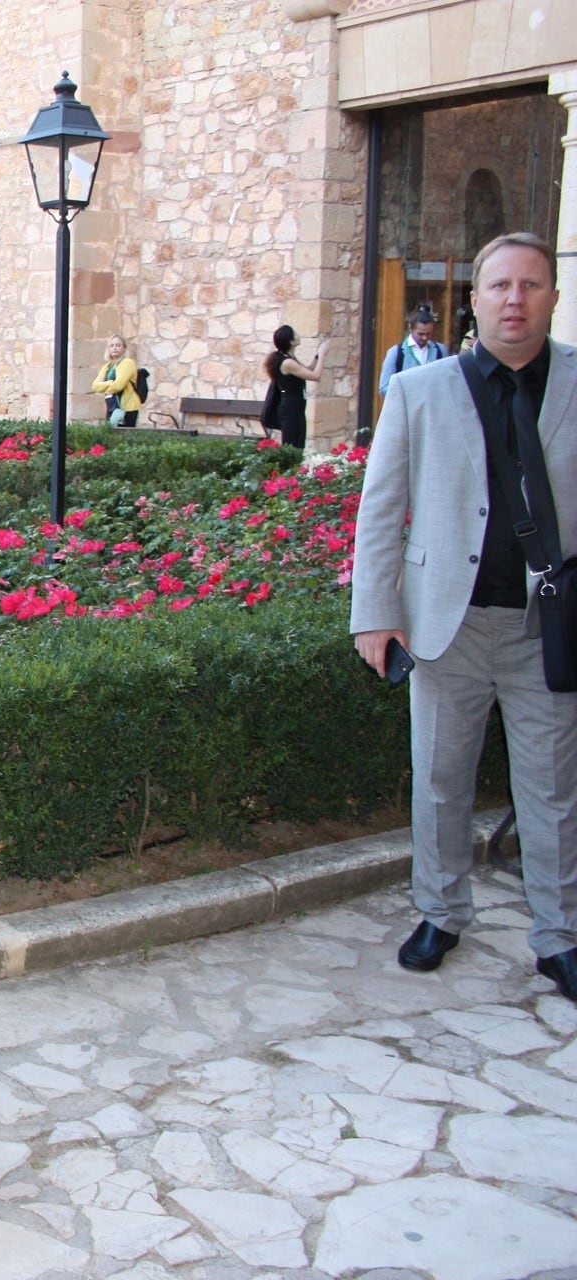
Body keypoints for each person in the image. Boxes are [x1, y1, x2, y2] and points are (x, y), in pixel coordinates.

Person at [350, 230, 577, 1004]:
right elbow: (381, 509)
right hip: (447, 623)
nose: (515, 299)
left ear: (551, 295)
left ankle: (560, 934)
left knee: (553, 789)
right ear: (474, 299)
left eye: (531, 285)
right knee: (441, 782)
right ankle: (441, 913)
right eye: (500, 286)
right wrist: (376, 614)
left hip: (548, 627)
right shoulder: (421, 389)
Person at [263, 324, 331, 449]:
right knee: (292, 446)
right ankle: (288, 468)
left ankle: (295, 468)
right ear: (291, 341)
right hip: (290, 409)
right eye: (295, 334)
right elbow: (315, 376)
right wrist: (322, 354)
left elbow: (307, 369)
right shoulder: (287, 363)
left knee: (299, 444)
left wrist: (317, 356)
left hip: (297, 407)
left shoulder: (290, 358)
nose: (298, 336)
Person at [377, 304, 449, 395]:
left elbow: (447, 382)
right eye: (420, 334)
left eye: (428, 334)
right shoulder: (396, 353)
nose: (424, 338)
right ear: (410, 328)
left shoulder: (440, 350)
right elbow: (384, 387)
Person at [90, 334, 142, 428]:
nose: (114, 348)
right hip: (111, 406)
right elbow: (95, 386)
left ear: (124, 348)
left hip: (127, 408)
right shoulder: (107, 366)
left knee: (124, 436)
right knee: (111, 435)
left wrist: (104, 386)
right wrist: (110, 383)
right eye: (112, 345)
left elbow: (118, 386)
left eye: (118, 345)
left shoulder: (127, 363)